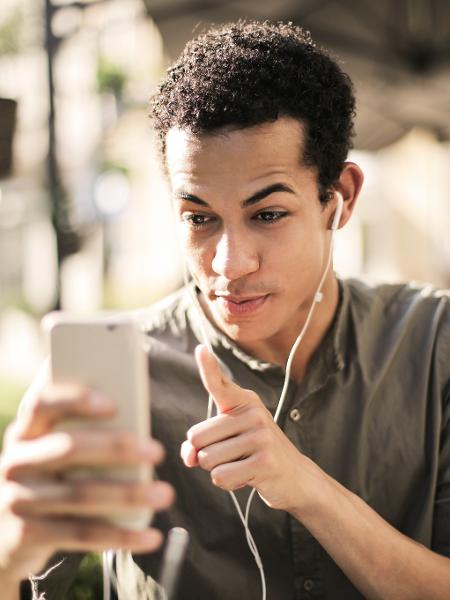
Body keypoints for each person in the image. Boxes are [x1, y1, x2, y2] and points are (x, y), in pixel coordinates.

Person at [1, 19, 449, 600]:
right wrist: (9, 551)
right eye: (199, 217)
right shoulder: (113, 374)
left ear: (339, 198)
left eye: (267, 214)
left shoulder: (433, 343)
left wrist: (307, 488)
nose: (229, 264)